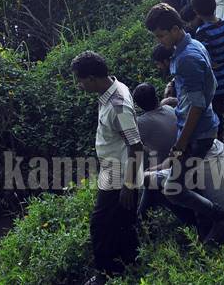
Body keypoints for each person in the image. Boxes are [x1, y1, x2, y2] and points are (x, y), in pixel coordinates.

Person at [144, 3, 224, 244]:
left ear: (175, 29)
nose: (159, 40)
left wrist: (180, 145)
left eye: (161, 35)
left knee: (173, 188)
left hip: (198, 131)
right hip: (198, 126)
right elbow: (209, 86)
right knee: (188, 181)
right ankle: (204, 226)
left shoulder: (187, 58)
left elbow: (196, 106)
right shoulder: (193, 46)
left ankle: (221, 217)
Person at [71, 51, 143, 284]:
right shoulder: (112, 88)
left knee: (100, 225)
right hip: (114, 170)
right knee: (123, 221)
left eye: (80, 80)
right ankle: (128, 264)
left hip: (119, 175)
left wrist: (128, 185)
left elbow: (136, 146)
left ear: (92, 78)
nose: (79, 85)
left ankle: (104, 274)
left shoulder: (118, 105)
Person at [139, 138, 224, 243]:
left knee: (155, 186)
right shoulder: (215, 144)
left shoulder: (192, 154)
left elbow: (149, 179)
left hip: (216, 222)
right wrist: (156, 169)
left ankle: (143, 232)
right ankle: (142, 228)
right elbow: (172, 163)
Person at [133, 82, 178, 169]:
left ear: (139, 105)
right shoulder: (169, 109)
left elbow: (132, 145)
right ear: (156, 97)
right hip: (180, 157)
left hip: (164, 167)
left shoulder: (142, 122)